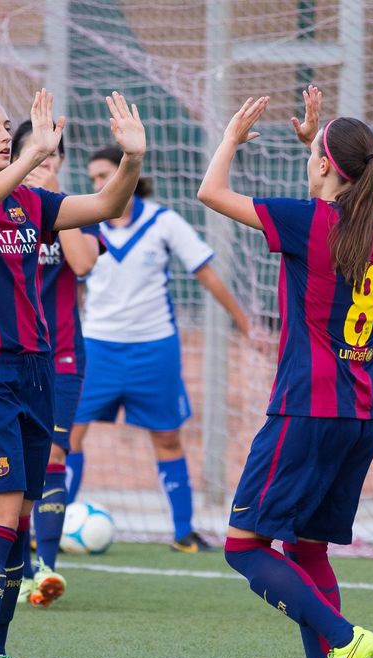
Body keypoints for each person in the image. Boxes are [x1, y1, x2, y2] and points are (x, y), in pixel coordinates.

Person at [0, 88, 144, 658]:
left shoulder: (28, 201)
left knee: (18, 527)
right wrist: (31, 156)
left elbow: (104, 204)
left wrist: (132, 160)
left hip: (35, 375)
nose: (1, 135)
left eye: (4, 127)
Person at [197, 86, 373, 658]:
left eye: (316, 156)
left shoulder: (309, 221)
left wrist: (230, 139)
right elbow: (338, 184)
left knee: (242, 545)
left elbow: (211, 193)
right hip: (362, 412)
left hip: (308, 408)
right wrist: (317, 141)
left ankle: (343, 640)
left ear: (328, 167)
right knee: (306, 549)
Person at [68, 145, 250, 553]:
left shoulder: (164, 222)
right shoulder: (82, 222)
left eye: (105, 176)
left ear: (128, 174)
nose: (99, 184)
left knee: (167, 439)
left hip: (154, 349)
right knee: (70, 435)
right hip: (97, 348)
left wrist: (244, 322)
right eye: (94, 178)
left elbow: (204, 271)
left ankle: (183, 532)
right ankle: (52, 527)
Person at [8, 120, 101, 608]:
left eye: (53, 157)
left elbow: (85, 265)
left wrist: (56, 204)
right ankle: (17, 568)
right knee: (18, 466)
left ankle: (45, 570)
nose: (47, 164)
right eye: (37, 156)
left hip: (62, 353)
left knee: (54, 456)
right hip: (11, 355)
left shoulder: (71, 209)